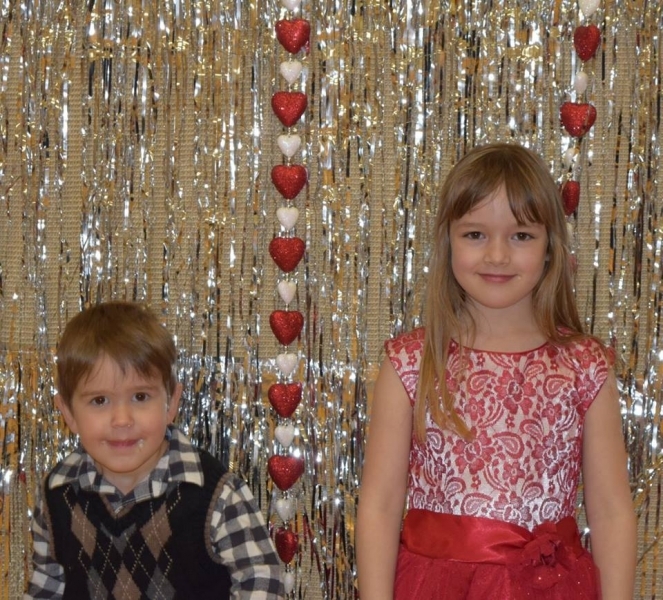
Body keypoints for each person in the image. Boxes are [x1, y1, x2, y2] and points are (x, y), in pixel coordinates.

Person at [356, 143, 636, 599]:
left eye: (521, 235)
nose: (498, 255)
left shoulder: (585, 366)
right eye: (475, 234)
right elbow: (380, 507)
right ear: (448, 242)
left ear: (550, 247)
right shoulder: (411, 362)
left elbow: (610, 512)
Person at [25, 301, 284, 599]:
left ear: (171, 403)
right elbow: (46, 587)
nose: (122, 420)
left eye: (140, 396)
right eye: (99, 400)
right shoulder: (56, 494)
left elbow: (262, 580)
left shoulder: (216, 495)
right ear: (68, 413)